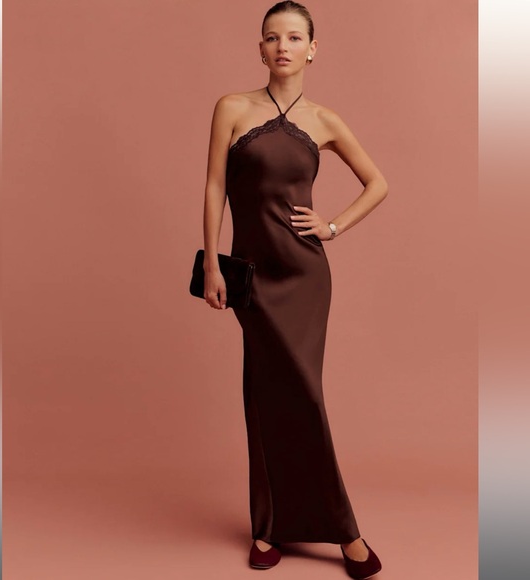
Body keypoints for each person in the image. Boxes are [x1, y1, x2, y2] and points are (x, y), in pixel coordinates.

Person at [201, 2, 388, 577]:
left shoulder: (325, 120)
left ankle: (344, 531)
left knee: (304, 395)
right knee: (263, 394)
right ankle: (267, 528)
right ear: (260, 48)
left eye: (294, 37)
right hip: (253, 276)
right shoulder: (232, 108)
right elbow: (213, 187)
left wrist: (331, 226)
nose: (282, 46)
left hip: (305, 276)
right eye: (271, 37)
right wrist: (212, 263)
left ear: (312, 49)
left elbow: (377, 183)